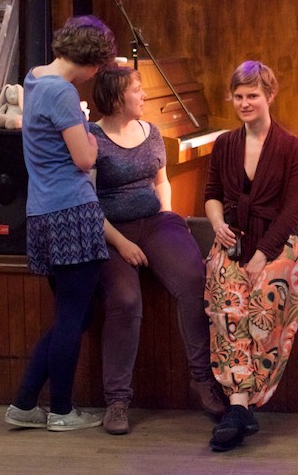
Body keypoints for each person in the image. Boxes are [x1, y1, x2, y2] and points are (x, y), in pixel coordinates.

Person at [91, 64, 226, 436]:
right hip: (111, 232)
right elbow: (87, 202)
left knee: (194, 279)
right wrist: (122, 243)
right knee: (125, 300)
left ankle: (202, 379)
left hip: (154, 222)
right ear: (116, 99)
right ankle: (117, 400)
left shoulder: (151, 132)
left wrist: (166, 215)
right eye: (136, 90)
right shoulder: (91, 138)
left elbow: (162, 181)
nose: (144, 95)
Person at [4, 16, 116, 433]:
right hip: (72, 211)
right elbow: (85, 159)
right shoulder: (63, 91)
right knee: (72, 317)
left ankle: (24, 404)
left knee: (74, 316)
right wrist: (92, 138)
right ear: (92, 63)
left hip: (41, 213)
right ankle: (62, 411)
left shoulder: (34, 79)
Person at [203, 60, 298, 452]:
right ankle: (238, 405)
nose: (245, 103)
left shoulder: (292, 147)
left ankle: (245, 404)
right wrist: (217, 224)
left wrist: (264, 254)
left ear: (270, 96)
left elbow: (292, 210)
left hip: (276, 242)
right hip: (232, 239)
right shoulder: (224, 144)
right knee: (228, 307)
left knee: (263, 304)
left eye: (252, 95)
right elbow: (212, 194)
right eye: (238, 96)